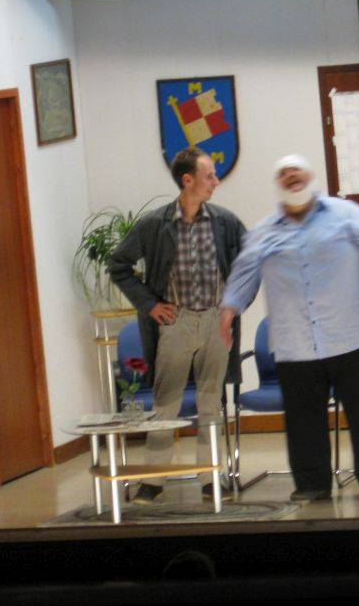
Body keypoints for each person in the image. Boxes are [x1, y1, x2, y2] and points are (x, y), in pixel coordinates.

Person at [219, 155, 359, 504]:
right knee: (303, 419)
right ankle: (312, 483)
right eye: (283, 173)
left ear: (311, 177)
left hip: (351, 332)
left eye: (296, 170)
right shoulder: (263, 231)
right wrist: (229, 310)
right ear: (278, 185)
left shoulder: (345, 213)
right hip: (294, 339)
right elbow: (244, 273)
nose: (291, 175)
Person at [108, 146, 247, 503]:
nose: (216, 181)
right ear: (188, 180)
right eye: (209, 176)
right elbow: (118, 265)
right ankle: (153, 480)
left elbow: (250, 264)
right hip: (176, 322)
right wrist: (150, 305)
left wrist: (234, 306)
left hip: (217, 321)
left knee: (210, 402)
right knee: (165, 402)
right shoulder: (154, 224)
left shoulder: (225, 222)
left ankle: (210, 478)